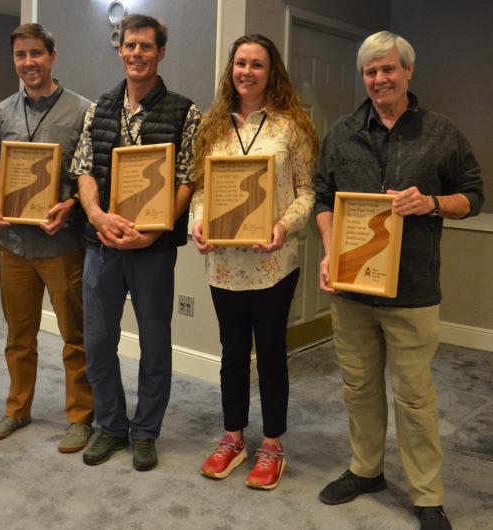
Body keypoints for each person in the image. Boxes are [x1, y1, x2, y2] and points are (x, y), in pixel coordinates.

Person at [314, 31, 483, 529]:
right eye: (370, 71)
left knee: (414, 395)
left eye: (388, 69)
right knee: (359, 386)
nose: (379, 79)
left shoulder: (442, 133)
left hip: (412, 290)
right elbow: (324, 198)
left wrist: (430, 202)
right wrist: (329, 251)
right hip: (351, 288)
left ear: (408, 71)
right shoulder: (342, 132)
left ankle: (427, 494)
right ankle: (365, 470)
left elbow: (473, 196)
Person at [70, 13, 201, 471]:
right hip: (100, 247)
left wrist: (156, 228)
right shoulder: (99, 108)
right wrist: (96, 215)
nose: (137, 54)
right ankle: (110, 426)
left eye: (147, 46)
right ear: (120, 49)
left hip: (153, 252)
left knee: (155, 343)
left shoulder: (185, 112)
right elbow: (84, 170)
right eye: (130, 46)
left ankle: (145, 431)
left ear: (161, 52)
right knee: (99, 341)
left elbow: (187, 179)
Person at [190, 34, 317, 490]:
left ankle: (273, 444)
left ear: (271, 72)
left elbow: (307, 192)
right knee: (231, 355)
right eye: (240, 63)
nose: (247, 71)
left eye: (257, 64)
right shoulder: (213, 126)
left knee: (271, 356)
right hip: (224, 264)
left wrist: (283, 226)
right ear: (231, 69)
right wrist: (199, 223)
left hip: (273, 263)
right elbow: (203, 190)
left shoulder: (291, 127)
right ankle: (233, 438)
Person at [0, 23, 94, 453]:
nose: (28, 63)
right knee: (19, 334)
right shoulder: (1, 113)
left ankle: (81, 417)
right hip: (12, 245)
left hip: (61, 245)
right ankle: (17, 408)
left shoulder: (82, 111)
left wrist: (70, 206)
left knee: (75, 336)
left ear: (52, 56)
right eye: (20, 55)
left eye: (36, 54)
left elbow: (90, 177)